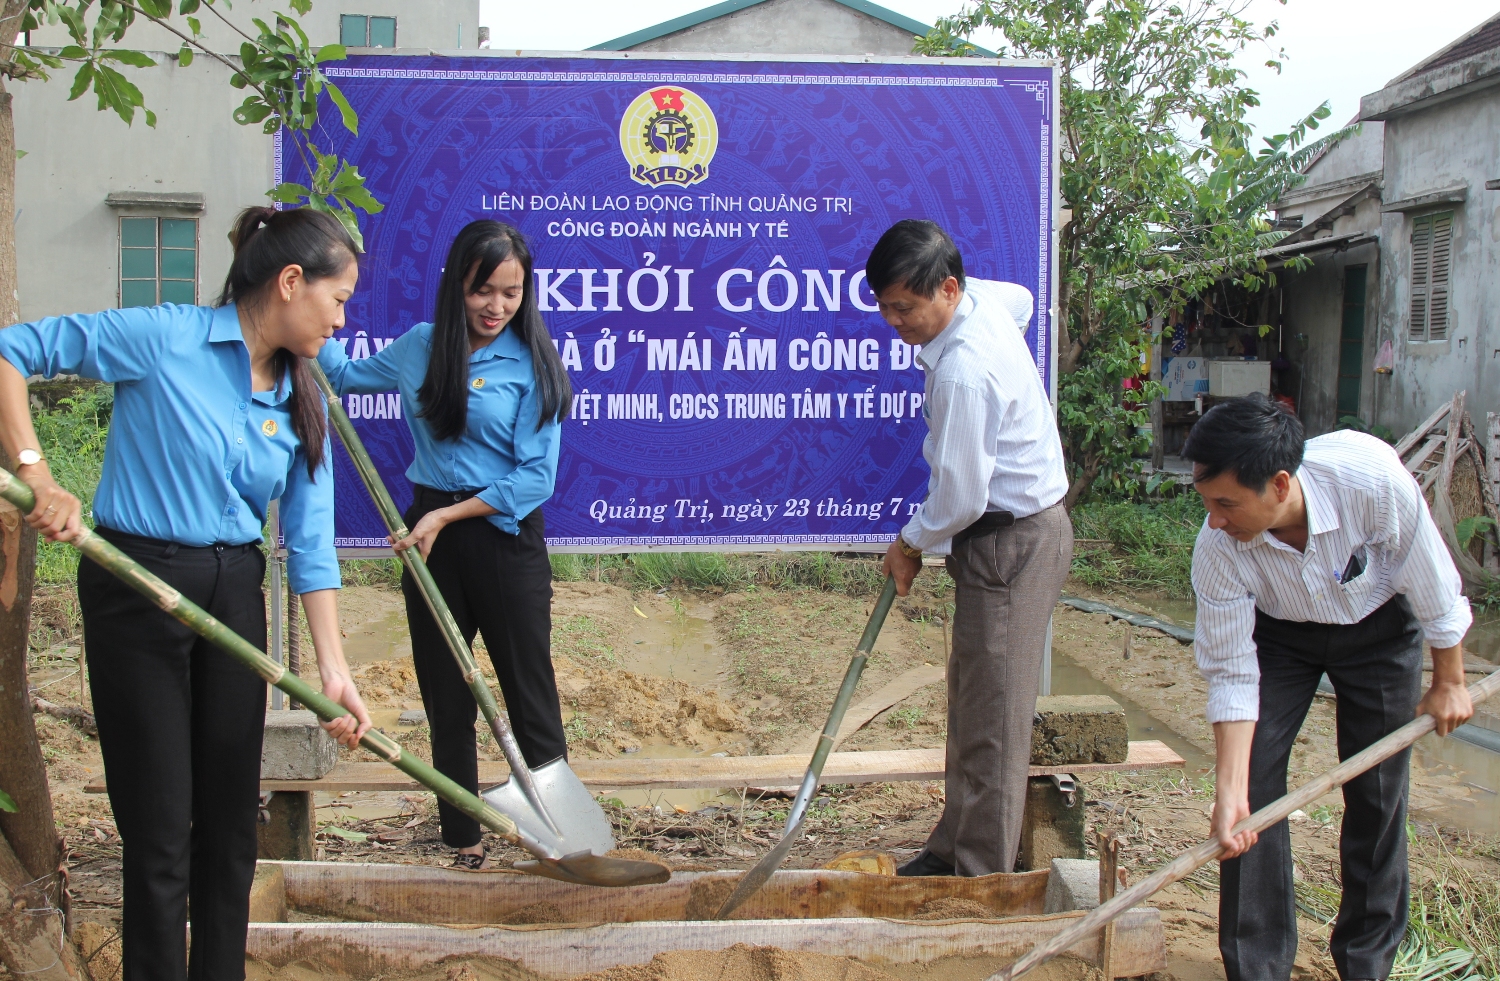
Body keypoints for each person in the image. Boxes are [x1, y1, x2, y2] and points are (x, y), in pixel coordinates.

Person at [0, 206, 373, 981]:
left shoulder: (304, 397)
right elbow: (9, 352)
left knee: (233, 831)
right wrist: (34, 470)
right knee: (161, 831)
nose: (343, 319)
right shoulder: (164, 337)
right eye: (338, 299)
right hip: (137, 590)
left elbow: (310, 541)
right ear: (291, 282)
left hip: (233, 596)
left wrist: (334, 671)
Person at [1183, 393, 1473, 981]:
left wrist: (1450, 680)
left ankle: (1366, 961)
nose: (1214, 518)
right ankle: (1257, 964)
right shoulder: (1218, 548)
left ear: (1281, 484)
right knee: (1252, 798)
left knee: (1378, 790)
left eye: (1227, 503)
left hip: (1380, 630)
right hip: (1280, 639)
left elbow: (1434, 579)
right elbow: (1233, 671)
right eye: (1206, 502)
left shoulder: (1370, 480)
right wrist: (1232, 788)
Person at [318, 220, 571, 870]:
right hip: (430, 535)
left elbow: (534, 477)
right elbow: (341, 378)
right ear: (458, 284)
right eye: (484, 290)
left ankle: (562, 838)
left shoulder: (532, 360)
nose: (497, 306)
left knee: (527, 690)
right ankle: (463, 836)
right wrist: (307, 312)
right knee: (446, 692)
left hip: (503, 536)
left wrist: (447, 516)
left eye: (511, 293)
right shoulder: (420, 347)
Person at [872, 219, 1074, 877]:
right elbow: (1020, 299)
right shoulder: (987, 303)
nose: (893, 320)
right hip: (996, 539)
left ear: (948, 289)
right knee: (974, 701)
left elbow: (958, 498)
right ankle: (952, 846)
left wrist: (908, 543)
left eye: (905, 307)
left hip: (1012, 541)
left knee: (996, 723)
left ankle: (978, 881)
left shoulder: (963, 370)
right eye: (884, 305)